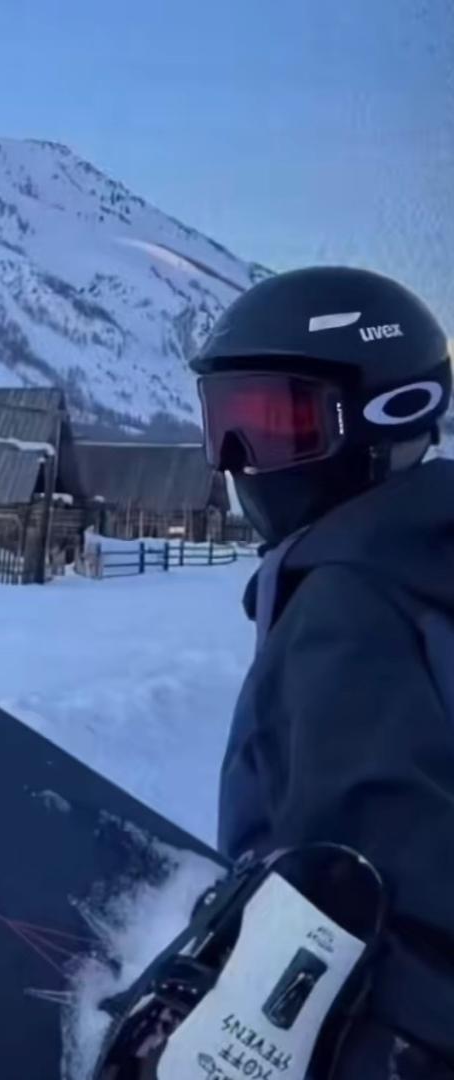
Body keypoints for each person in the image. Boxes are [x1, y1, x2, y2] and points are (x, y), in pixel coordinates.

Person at [189, 265, 454, 1075]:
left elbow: (375, 895)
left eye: (275, 425)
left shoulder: (346, 608)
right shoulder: (426, 570)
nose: (241, 463)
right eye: (225, 427)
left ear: (388, 415)